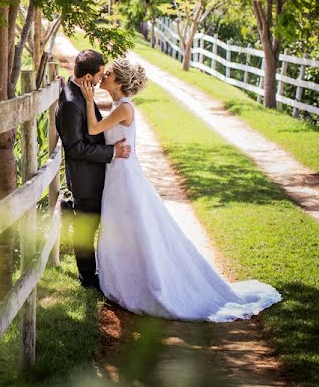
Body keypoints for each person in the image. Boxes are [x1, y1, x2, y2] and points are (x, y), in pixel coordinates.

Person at [76, 57, 281, 321]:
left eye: (109, 74)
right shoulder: (118, 105)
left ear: (119, 83)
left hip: (124, 176)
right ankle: (125, 281)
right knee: (124, 227)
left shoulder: (124, 109)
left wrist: (88, 98)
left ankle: (142, 284)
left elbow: (94, 127)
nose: (103, 76)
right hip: (118, 174)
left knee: (130, 227)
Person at [55, 50, 131, 290]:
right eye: (99, 74)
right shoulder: (70, 103)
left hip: (95, 175)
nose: (101, 78)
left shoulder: (81, 94)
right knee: (86, 231)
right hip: (85, 179)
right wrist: (112, 153)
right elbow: (75, 148)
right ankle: (88, 280)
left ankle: (69, 210)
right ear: (88, 75)